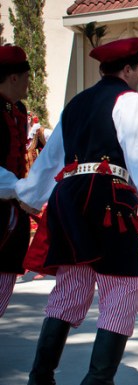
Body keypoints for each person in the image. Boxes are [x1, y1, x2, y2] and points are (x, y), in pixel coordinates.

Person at [15, 37, 138, 385]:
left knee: (71, 287)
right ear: (127, 69)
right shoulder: (130, 102)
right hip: (107, 196)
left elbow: (49, 159)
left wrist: (31, 196)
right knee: (123, 284)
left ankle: (41, 381)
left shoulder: (77, 104)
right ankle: (99, 377)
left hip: (69, 195)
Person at [0, 44, 31, 318]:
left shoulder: (17, 109)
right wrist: (21, 191)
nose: (28, 83)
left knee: (6, 275)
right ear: (13, 77)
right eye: (26, 77)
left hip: (10, 210)